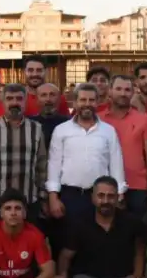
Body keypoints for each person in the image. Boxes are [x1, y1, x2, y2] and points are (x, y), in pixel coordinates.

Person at [57, 176, 147, 278]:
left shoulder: (131, 221)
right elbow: (66, 254)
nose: (105, 201)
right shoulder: (79, 222)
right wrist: (62, 275)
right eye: (101, 196)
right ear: (93, 197)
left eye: (110, 196)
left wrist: (138, 272)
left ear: (117, 197)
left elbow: (140, 248)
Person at [46, 83, 127, 225]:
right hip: (69, 196)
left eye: (91, 100)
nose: (87, 104)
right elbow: (54, 165)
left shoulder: (108, 131)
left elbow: (116, 163)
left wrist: (119, 194)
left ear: (97, 102)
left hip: (100, 197)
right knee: (69, 236)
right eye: (83, 100)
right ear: (75, 102)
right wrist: (53, 198)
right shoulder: (61, 130)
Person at [0, 83, 48, 227]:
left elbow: (42, 165)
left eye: (19, 99)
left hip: (28, 200)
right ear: (3, 101)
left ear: (25, 101)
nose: (14, 102)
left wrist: (43, 197)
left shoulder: (36, 128)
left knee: (29, 239)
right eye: (10, 98)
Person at [103, 75, 147, 218]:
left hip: (137, 186)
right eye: (118, 89)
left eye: (127, 90)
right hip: (105, 186)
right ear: (110, 91)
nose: (123, 93)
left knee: (137, 229)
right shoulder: (99, 119)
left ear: (133, 92)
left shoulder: (144, 119)